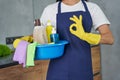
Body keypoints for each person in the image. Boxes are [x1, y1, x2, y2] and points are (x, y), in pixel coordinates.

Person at [40, 0, 114, 80]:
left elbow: (109, 39)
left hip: (83, 69)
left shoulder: (92, 8)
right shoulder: (50, 10)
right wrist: (29, 41)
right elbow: (39, 38)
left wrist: (85, 36)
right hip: (58, 70)